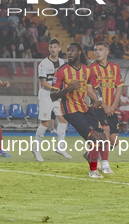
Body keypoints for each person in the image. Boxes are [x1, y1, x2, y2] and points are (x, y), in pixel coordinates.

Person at [50, 43, 106, 178]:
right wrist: (68, 89)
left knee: (103, 139)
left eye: (72, 50)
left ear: (79, 52)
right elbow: (52, 94)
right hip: (70, 110)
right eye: (68, 51)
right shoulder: (61, 70)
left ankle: (89, 155)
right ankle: (93, 171)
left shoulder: (88, 70)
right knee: (93, 137)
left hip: (84, 108)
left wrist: (99, 100)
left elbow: (97, 87)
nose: (69, 53)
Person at [33, 38, 70, 162]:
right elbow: (43, 82)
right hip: (46, 96)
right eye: (51, 47)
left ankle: (60, 147)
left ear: (59, 48)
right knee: (45, 123)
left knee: (63, 120)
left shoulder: (62, 62)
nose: (53, 49)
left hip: (57, 96)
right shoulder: (43, 63)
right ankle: (35, 148)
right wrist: (56, 88)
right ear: (49, 49)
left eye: (55, 47)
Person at [89, 41, 124, 174]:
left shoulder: (115, 67)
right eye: (95, 50)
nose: (97, 52)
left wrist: (113, 107)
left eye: (100, 49)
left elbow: (119, 88)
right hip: (98, 108)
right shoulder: (91, 68)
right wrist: (104, 106)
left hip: (111, 108)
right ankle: (105, 165)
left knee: (114, 141)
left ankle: (91, 154)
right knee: (106, 133)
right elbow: (90, 91)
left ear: (107, 52)